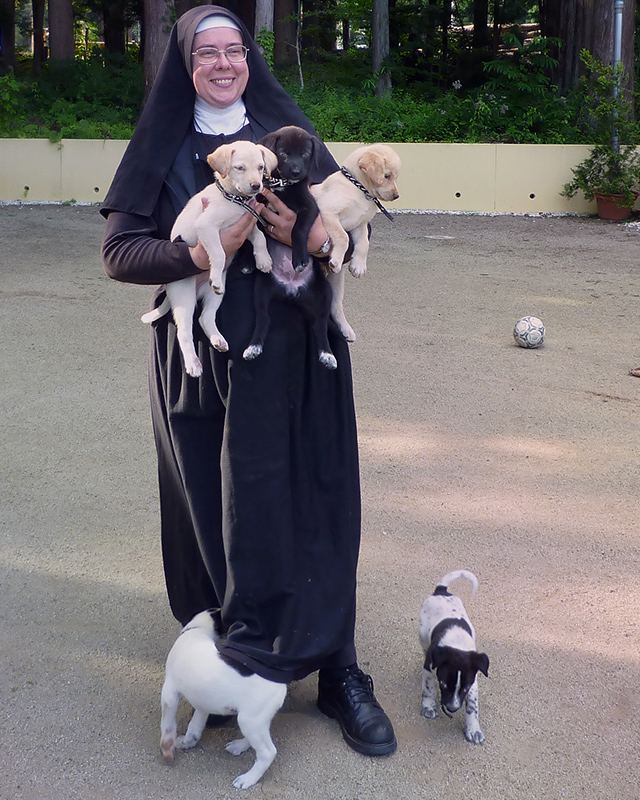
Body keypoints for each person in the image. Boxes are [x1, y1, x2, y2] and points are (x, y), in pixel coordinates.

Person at [101, 5, 396, 757]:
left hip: (301, 355)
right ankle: (237, 663)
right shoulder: (163, 145)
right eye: (208, 55)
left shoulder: (287, 130)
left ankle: (338, 670)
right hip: (211, 365)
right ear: (185, 66)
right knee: (223, 514)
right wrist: (203, 257)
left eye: (236, 50)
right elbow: (122, 255)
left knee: (320, 503)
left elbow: (338, 231)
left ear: (250, 59)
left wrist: (311, 235)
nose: (225, 64)